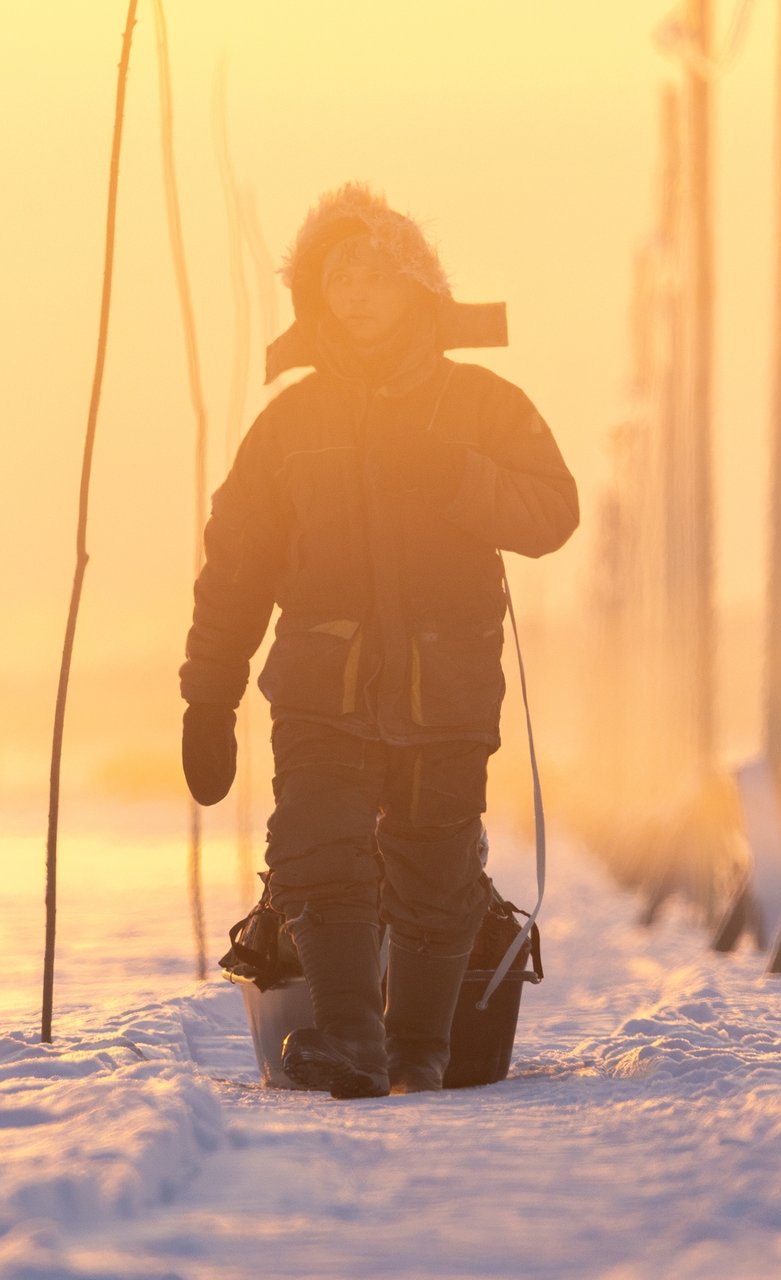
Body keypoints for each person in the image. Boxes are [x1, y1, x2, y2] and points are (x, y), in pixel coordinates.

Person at [179, 183, 578, 1098]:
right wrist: (209, 691)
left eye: (372, 276)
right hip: (322, 686)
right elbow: (236, 563)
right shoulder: (290, 424)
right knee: (317, 851)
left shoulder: (482, 403)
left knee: (436, 864)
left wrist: (455, 473)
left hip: (449, 686)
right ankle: (351, 1038)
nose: (353, 295)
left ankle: (422, 1050)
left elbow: (553, 511)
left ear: (415, 288)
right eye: (335, 279)